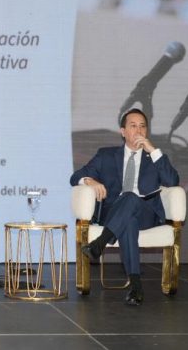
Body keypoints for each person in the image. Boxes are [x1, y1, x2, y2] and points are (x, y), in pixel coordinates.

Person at [70, 108, 179, 306]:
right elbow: (75, 176)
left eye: (142, 126)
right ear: (123, 131)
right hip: (115, 214)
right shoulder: (106, 155)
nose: (139, 130)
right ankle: (136, 287)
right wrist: (90, 181)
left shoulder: (154, 157)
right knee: (129, 221)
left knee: (131, 198)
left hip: (146, 214)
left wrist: (153, 151)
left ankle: (100, 243)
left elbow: (172, 181)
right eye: (133, 126)